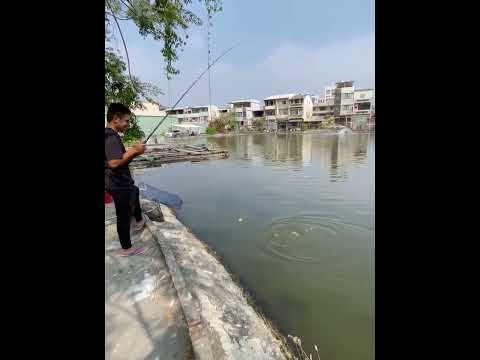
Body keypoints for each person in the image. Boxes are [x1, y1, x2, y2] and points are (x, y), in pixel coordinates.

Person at [105, 103, 147, 257]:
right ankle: (127, 249)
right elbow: (114, 163)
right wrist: (134, 150)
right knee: (123, 217)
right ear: (116, 119)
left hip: (118, 183)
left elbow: (119, 159)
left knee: (134, 191)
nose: (128, 124)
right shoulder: (110, 137)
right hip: (117, 184)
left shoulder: (111, 135)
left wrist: (135, 153)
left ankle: (139, 220)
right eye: (126, 121)